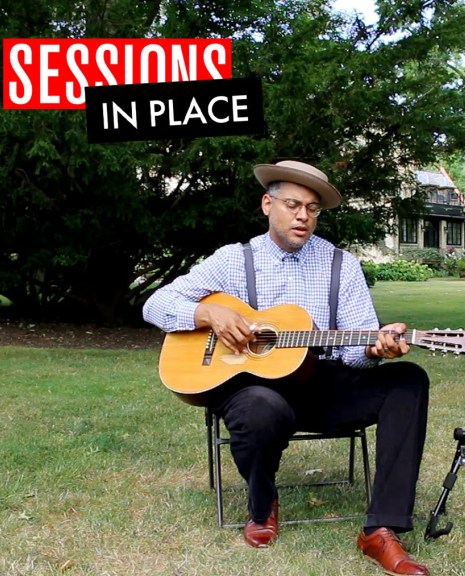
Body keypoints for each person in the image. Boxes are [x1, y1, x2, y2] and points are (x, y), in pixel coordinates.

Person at [143, 160, 431, 576]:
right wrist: (208, 314)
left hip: (324, 383)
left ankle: (381, 529)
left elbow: (355, 351)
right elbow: (155, 304)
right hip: (254, 386)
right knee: (260, 408)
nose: (303, 216)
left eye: (312, 209)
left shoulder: (340, 264)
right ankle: (263, 504)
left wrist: (376, 349)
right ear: (267, 204)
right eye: (293, 204)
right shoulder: (232, 260)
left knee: (409, 381)